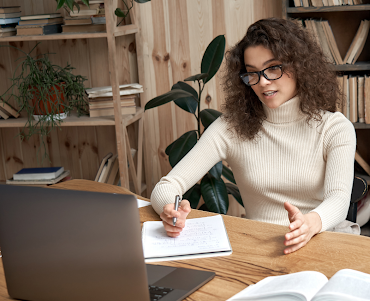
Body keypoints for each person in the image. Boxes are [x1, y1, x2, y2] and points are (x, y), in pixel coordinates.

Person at [150, 17, 357, 254]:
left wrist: (309, 224)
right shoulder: (230, 127)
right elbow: (167, 185)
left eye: (273, 68)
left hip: (320, 243)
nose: (263, 82)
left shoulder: (334, 128)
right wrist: (170, 210)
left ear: (299, 65)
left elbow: (339, 200)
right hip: (258, 250)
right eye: (253, 73)